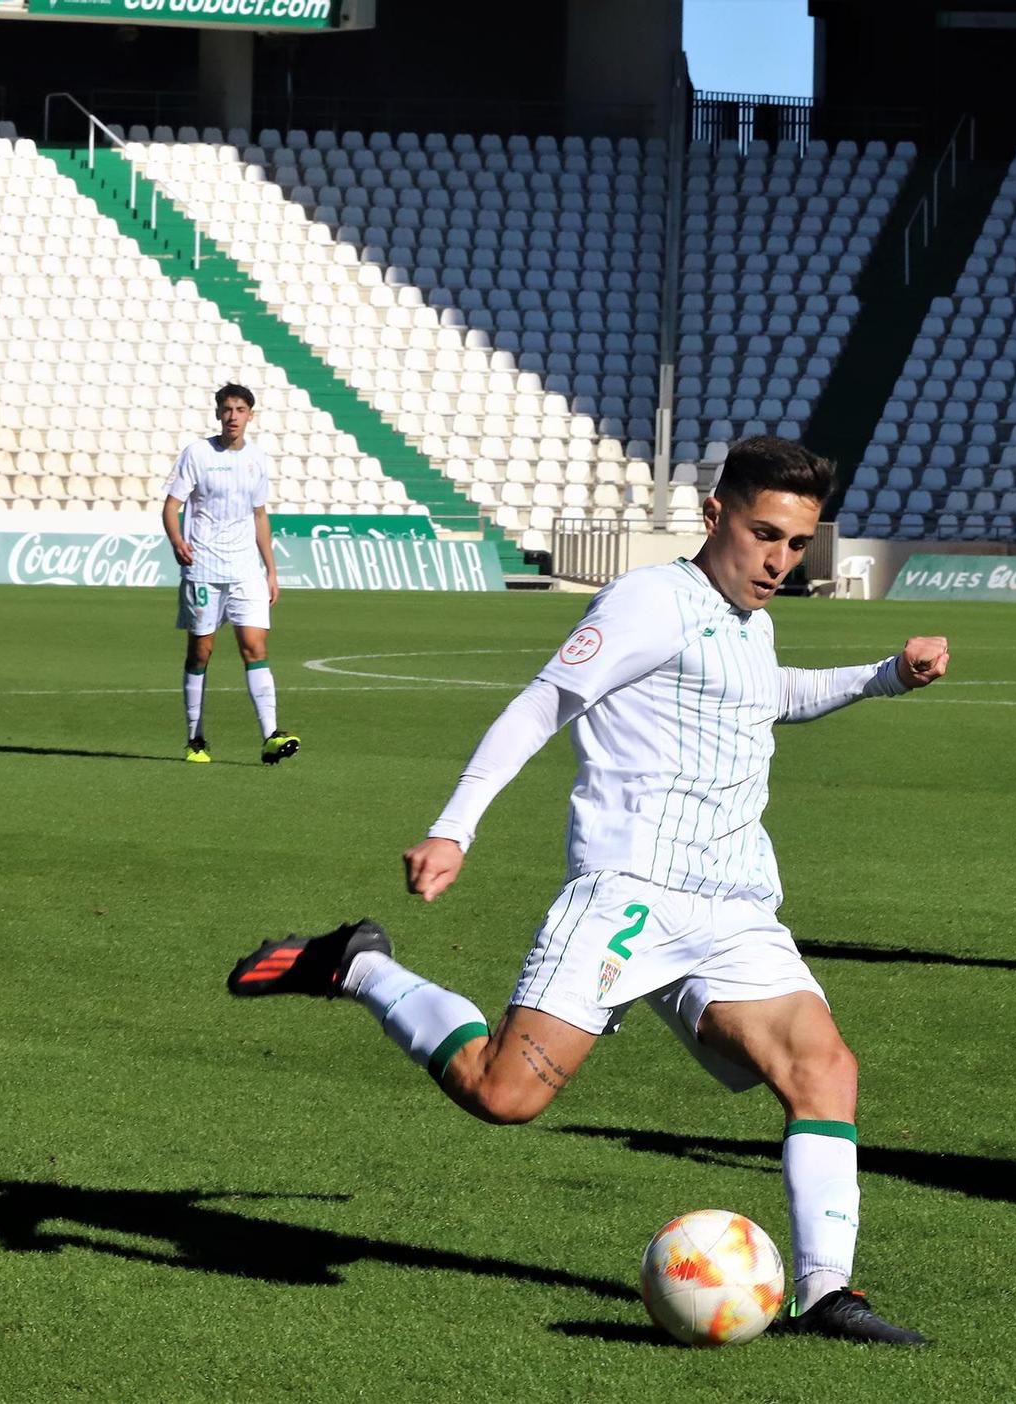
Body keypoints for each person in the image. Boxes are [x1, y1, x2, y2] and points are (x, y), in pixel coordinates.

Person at [226, 436, 946, 1345]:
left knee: (823, 1068)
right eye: (765, 535)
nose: (779, 561)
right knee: (502, 1093)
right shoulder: (649, 601)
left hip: (732, 904)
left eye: (798, 545)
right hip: (629, 894)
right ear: (714, 514)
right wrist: (456, 825)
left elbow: (768, 693)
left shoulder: (750, 620)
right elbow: (542, 704)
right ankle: (361, 966)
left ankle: (827, 1291)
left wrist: (888, 676)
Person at [160, 383, 299, 765]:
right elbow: (172, 506)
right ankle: (195, 738)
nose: (233, 416)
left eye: (240, 409)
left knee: (255, 648)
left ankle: (270, 735)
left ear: (250, 415)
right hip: (203, 568)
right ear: (218, 414)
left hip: (245, 571)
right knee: (201, 652)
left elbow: (259, 514)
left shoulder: (258, 459)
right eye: (227, 409)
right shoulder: (198, 454)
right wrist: (176, 541)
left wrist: (271, 570)